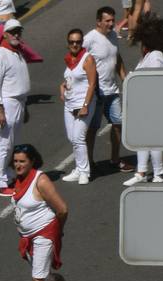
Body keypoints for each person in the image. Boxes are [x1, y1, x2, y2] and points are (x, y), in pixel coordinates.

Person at [8, 145, 68, 281]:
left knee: (39, 280)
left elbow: (62, 209)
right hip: (27, 236)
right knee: (44, 276)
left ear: (32, 161)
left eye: (22, 161)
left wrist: (57, 231)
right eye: (15, 161)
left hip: (43, 234)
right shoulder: (19, 179)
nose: (18, 165)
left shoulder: (41, 181)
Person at [0, 21, 32, 195]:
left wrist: (25, 107)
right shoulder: (0, 54)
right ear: (5, 34)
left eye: (18, 32)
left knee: (12, 144)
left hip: (19, 103)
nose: (16, 35)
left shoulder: (17, 52)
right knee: (3, 144)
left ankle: (6, 175)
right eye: (12, 32)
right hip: (7, 103)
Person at [85, 6, 129, 174]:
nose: (111, 24)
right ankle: (88, 162)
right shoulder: (89, 39)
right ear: (99, 21)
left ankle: (115, 159)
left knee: (118, 124)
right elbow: (78, 60)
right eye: (108, 21)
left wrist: (124, 77)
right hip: (97, 93)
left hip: (112, 91)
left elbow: (117, 57)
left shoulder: (112, 36)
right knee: (92, 129)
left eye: (112, 20)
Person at [124, 14, 163, 185]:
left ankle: (158, 173)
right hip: (143, 104)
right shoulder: (148, 57)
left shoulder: (156, 57)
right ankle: (141, 171)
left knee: (153, 140)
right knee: (142, 140)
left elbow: (154, 80)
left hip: (153, 104)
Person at [61, 29, 99, 184]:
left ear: (82, 42)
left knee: (78, 137)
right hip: (69, 104)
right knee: (72, 138)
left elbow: (92, 84)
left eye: (77, 42)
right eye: (71, 42)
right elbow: (72, 79)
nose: (74, 44)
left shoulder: (87, 59)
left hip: (84, 103)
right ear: (68, 43)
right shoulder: (69, 59)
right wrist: (62, 86)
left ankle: (84, 172)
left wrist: (85, 105)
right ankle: (78, 169)